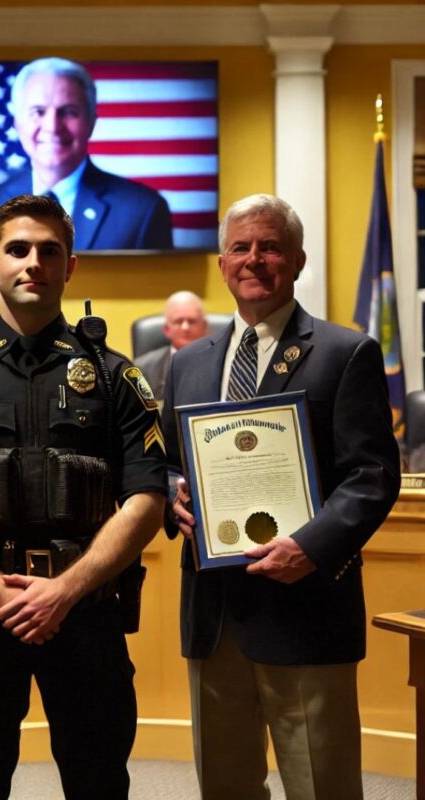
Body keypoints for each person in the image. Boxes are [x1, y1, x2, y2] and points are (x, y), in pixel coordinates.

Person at [0, 194, 166, 799]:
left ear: (70, 266)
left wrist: (64, 590)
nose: (33, 263)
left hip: (85, 614)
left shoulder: (116, 376)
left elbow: (147, 498)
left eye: (50, 251)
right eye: (18, 250)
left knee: (99, 786)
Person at [161, 194, 401, 800]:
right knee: (225, 786)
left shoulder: (346, 352)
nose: (254, 259)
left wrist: (310, 547)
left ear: (296, 260)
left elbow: (372, 475)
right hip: (215, 614)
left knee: (322, 785)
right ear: (222, 263)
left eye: (270, 247)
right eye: (240, 247)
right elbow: (165, 463)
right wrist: (172, 496)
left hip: (306, 607)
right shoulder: (187, 364)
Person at [0, 58, 173, 253]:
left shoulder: (142, 211)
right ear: (17, 124)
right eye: (38, 112)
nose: (52, 127)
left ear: (91, 122)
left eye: (69, 112)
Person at [134, 290, 208, 401]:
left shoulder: (222, 362)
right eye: (178, 321)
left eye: (192, 321)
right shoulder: (142, 368)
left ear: (204, 326)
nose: (185, 327)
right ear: (167, 329)